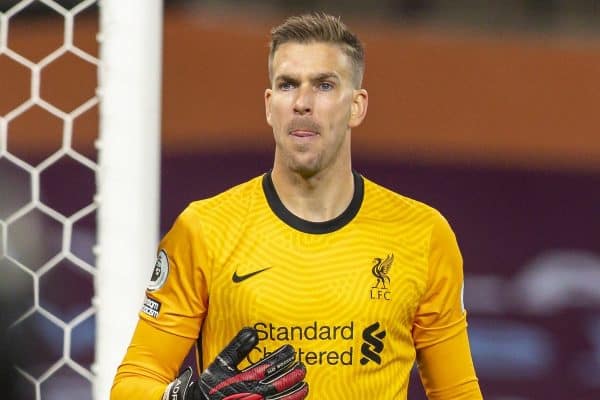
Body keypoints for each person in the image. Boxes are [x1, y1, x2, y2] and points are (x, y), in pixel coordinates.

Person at [111, 12, 483, 399]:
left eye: (324, 85)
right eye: (288, 85)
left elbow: (458, 393)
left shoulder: (423, 235)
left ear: (357, 106)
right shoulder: (203, 228)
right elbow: (133, 381)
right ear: (270, 105)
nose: (303, 103)